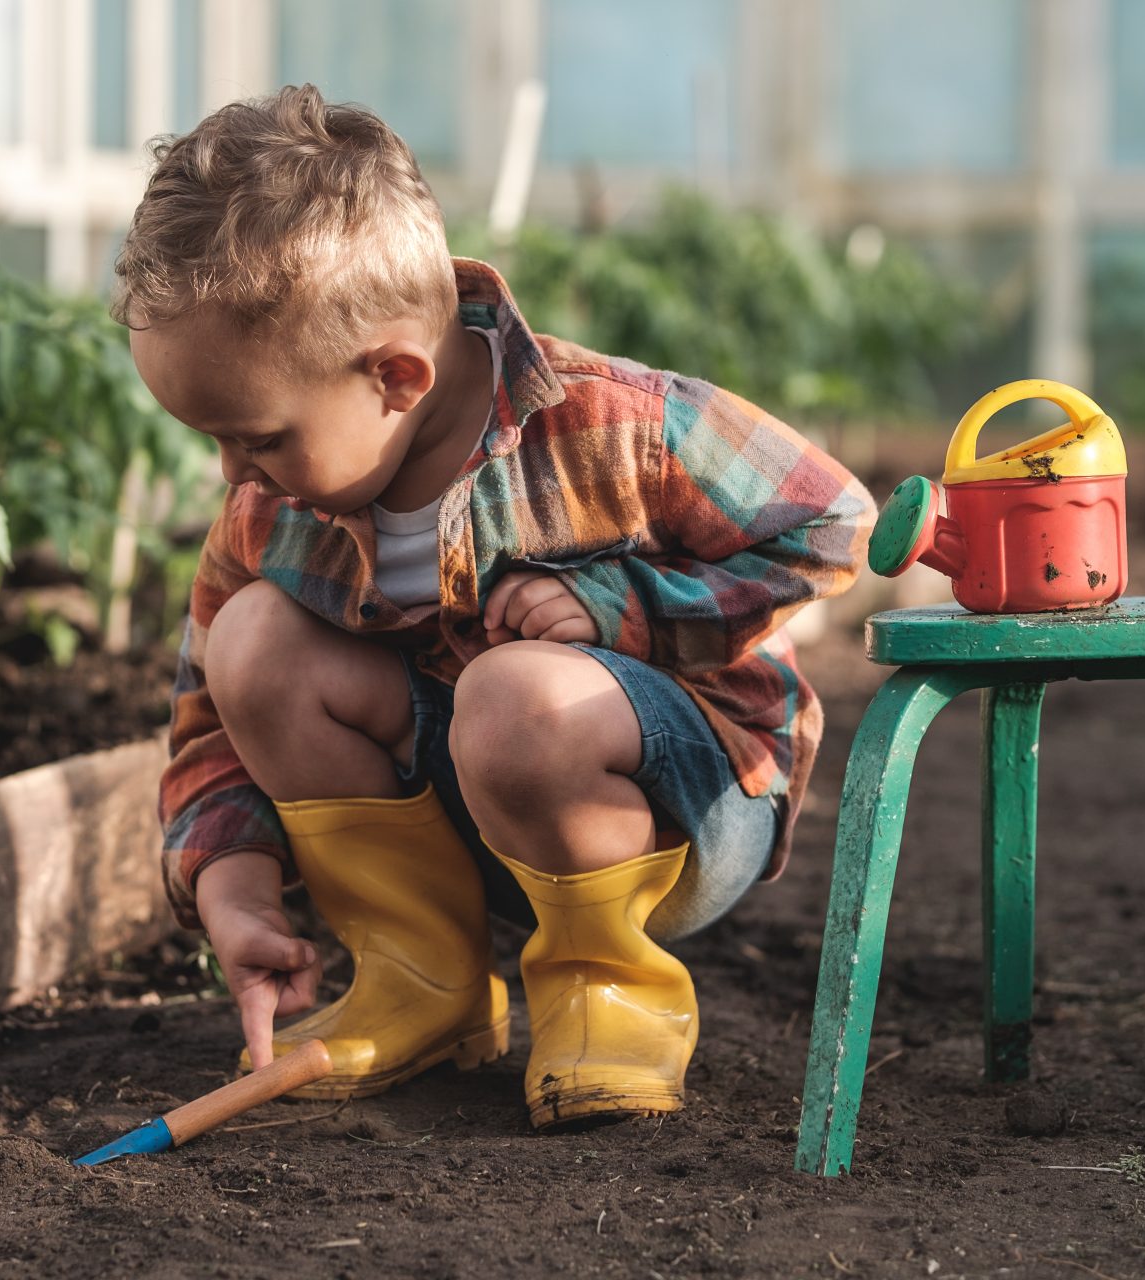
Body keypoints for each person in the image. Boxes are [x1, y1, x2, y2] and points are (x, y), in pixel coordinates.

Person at [112, 84, 876, 1131]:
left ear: (394, 375)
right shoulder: (268, 512)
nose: (235, 472)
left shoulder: (616, 423)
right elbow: (206, 715)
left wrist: (624, 606)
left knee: (516, 692)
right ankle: (423, 980)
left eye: (258, 435)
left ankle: (608, 991)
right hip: (472, 812)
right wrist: (233, 889)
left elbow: (835, 520)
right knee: (252, 641)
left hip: (681, 805)